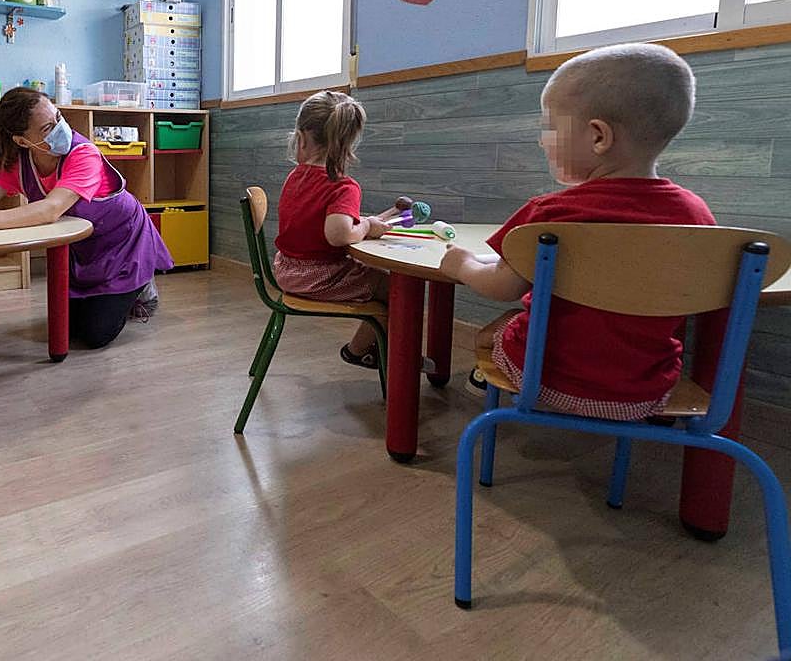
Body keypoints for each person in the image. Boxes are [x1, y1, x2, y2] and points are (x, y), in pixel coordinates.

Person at [440, 43, 716, 420]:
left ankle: (487, 388)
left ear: (598, 136)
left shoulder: (551, 213)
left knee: (491, 333)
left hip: (544, 380)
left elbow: (502, 287)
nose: (542, 139)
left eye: (550, 126)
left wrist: (463, 265)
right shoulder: (696, 216)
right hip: (645, 394)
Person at [0, 88, 172, 349]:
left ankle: (141, 287)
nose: (60, 128)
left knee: (94, 335)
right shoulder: (17, 160)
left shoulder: (83, 153)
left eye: (58, 118)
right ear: (21, 141)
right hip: (87, 246)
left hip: (123, 240)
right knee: (65, 327)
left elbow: (51, 209)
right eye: (47, 128)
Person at [272, 90, 397, 371]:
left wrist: (358, 222)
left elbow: (316, 222)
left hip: (286, 271)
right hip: (318, 277)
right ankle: (362, 351)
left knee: (377, 281)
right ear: (348, 143)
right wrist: (365, 225)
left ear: (302, 138)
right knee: (396, 288)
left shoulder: (295, 177)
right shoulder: (343, 186)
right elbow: (338, 235)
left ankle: (372, 345)